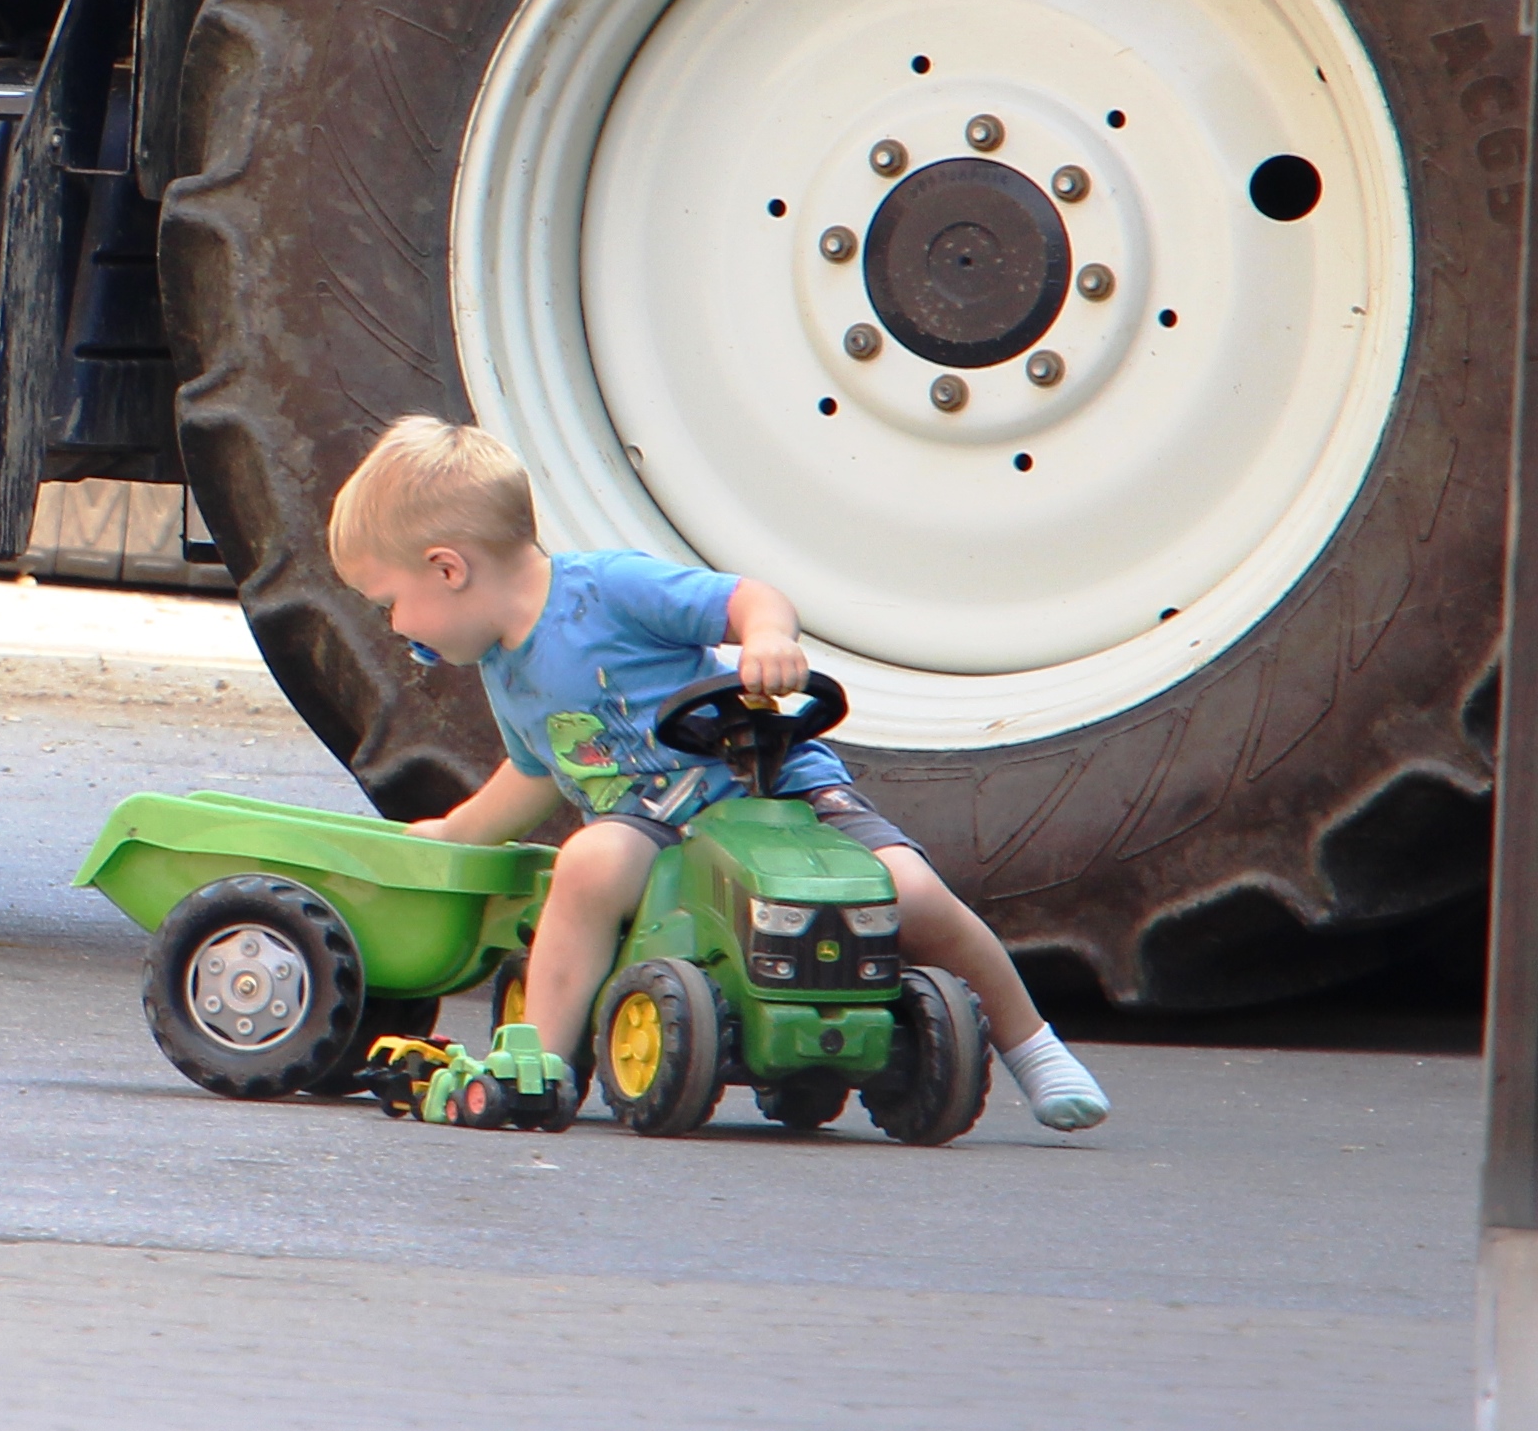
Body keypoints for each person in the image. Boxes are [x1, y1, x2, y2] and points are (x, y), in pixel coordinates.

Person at [326, 415, 1112, 1133]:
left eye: (389, 603)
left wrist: (766, 635)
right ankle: (541, 1065)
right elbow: (538, 770)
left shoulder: (607, 590)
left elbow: (746, 597)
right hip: (653, 819)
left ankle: (1032, 1044)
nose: (395, 628)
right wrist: (455, 834)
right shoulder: (506, 666)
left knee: (907, 892)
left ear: (446, 568)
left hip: (767, 785)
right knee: (588, 862)